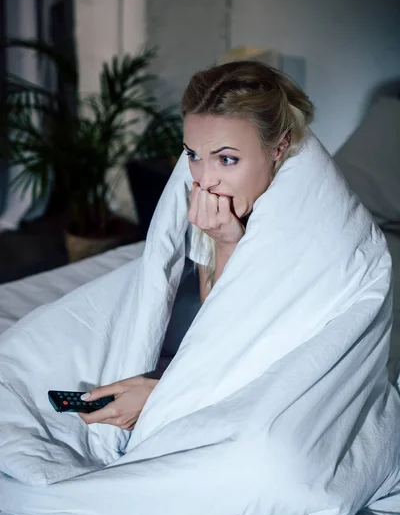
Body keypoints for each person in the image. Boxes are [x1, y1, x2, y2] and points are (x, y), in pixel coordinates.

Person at [78, 60, 314, 431]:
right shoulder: (211, 204)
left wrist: (163, 395)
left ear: (279, 148)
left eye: (227, 158)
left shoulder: (304, 222)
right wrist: (223, 244)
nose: (205, 179)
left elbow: (275, 365)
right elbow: (217, 327)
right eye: (193, 155)